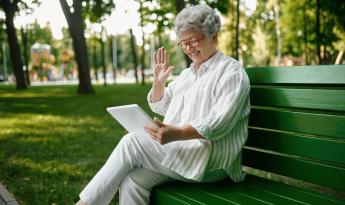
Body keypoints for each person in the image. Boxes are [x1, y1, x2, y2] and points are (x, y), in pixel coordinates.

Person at [76, 4, 250, 205]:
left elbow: (220, 122)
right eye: (183, 43)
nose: (188, 49)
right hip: (183, 154)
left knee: (131, 142)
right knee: (133, 181)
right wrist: (158, 83)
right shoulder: (188, 75)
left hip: (214, 162)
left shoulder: (231, 72)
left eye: (193, 41)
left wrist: (178, 133)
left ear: (214, 36)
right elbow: (163, 106)